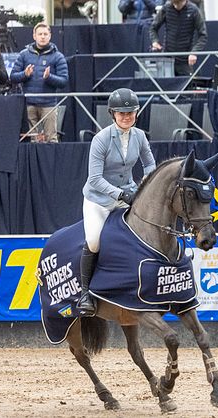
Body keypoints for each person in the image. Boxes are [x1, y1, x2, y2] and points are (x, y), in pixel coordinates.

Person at [76, 88, 156, 317]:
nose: (126, 117)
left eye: (130, 113)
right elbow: (94, 179)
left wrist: (144, 186)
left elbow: (150, 165)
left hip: (129, 193)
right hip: (99, 199)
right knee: (93, 242)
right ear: (112, 114)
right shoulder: (100, 139)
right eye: (122, 113)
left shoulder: (139, 136)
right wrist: (120, 195)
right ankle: (85, 293)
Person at [10, 22, 69, 143]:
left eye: (45, 34)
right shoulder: (24, 55)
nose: (42, 36)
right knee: (32, 140)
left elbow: (64, 81)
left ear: (50, 36)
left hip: (49, 105)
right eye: (40, 34)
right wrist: (24, 75)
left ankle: (52, 162)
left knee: (51, 140)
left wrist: (49, 77)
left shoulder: (58, 57)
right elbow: (13, 77)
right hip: (29, 105)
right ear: (34, 36)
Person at [149, 0, 208, 77]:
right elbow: (153, 28)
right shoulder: (166, 8)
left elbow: (203, 35)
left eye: (178, 4)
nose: (175, 6)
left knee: (186, 86)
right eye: (173, 4)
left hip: (185, 60)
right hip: (167, 59)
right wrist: (155, 41)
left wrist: (194, 52)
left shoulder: (194, 10)